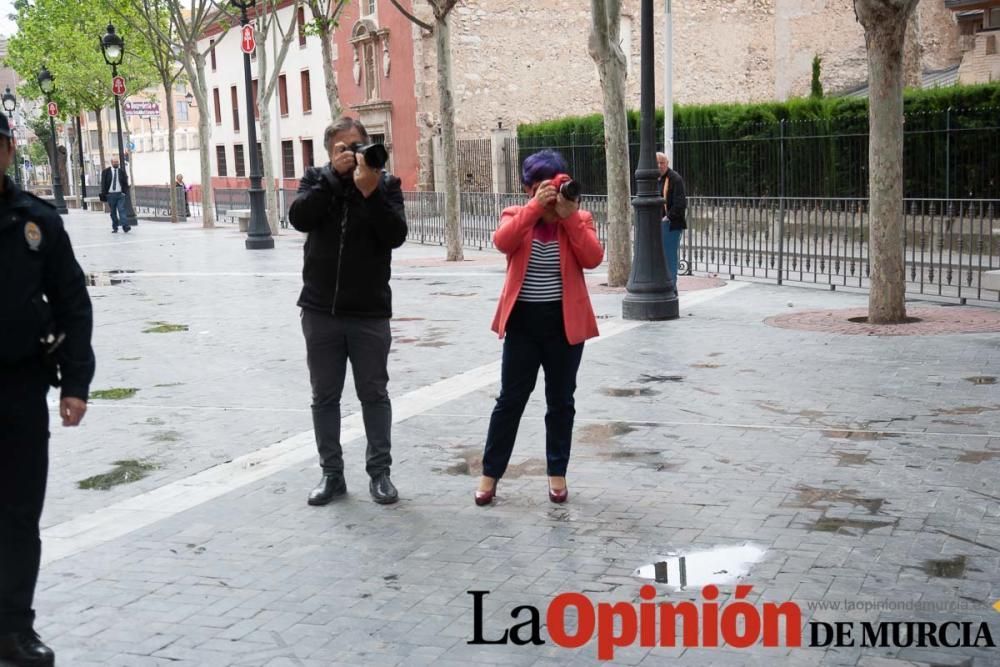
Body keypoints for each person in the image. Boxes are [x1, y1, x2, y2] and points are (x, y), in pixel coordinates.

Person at [0, 113, 95, 667]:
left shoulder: (36, 221)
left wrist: (76, 382)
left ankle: (14, 628)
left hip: (17, 388)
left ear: (10, 150)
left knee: (17, 514)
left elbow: (72, 303)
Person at [288, 117, 407, 507]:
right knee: (325, 396)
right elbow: (300, 217)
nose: (350, 154)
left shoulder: (386, 185)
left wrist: (368, 193)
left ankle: (380, 474)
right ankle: (331, 474)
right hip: (321, 309)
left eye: (356, 147)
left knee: (373, 393)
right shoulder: (315, 179)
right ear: (329, 153)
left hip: (370, 311)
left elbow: (395, 236)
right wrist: (332, 182)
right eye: (342, 148)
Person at [475, 150, 604, 506]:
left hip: (565, 326)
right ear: (531, 189)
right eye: (544, 186)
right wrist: (534, 209)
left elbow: (593, 258)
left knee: (561, 402)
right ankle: (490, 475)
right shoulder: (516, 215)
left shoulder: (579, 218)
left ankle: (557, 474)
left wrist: (569, 218)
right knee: (510, 401)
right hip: (523, 325)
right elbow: (503, 242)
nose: (553, 194)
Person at [656, 152, 687, 287]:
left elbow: (680, 203)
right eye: (657, 163)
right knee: (660, 258)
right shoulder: (655, 179)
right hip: (659, 224)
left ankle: (671, 286)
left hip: (671, 224)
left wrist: (667, 217)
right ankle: (664, 284)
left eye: (662, 163)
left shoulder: (675, 179)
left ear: (667, 164)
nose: (659, 166)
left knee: (669, 257)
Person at [99, 156, 131, 233]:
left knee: (121, 210)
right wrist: (105, 194)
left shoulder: (121, 172)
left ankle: (125, 226)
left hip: (120, 194)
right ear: (112, 162)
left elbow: (125, 183)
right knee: (113, 212)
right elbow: (103, 183)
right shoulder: (106, 172)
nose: (116, 163)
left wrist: (124, 192)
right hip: (110, 195)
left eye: (117, 162)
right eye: (115, 162)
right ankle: (115, 227)